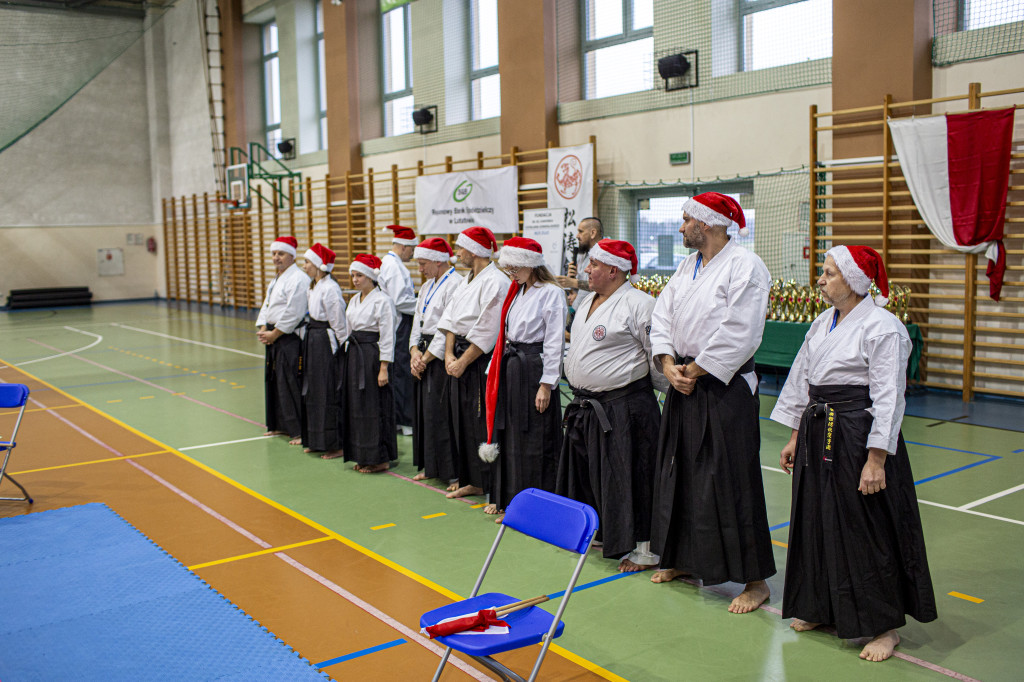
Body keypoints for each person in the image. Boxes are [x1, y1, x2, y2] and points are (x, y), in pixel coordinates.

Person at [771, 245, 937, 662]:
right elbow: (802, 380)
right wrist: (794, 436)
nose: (820, 280)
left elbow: (889, 397)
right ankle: (819, 606)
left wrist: (876, 459)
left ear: (855, 280)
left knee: (864, 527)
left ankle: (883, 626)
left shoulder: (883, 327)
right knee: (815, 518)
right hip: (817, 428)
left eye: (829, 273)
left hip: (856, 435)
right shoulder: (821, 322)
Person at [648, 192, 776, 614]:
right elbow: (662, 316)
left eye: (687, 219)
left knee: (732, 478)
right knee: (681, 473)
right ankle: (685, 559)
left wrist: (696, 369)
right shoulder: (687, 266)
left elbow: (742, 330)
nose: (681, 227)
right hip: (684, 380)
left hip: (724, 386)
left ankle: (755, 580)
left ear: (708, 223)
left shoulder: (746, 266)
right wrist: (668, 364)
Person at [557, 239, 665, 572]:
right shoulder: (586, 302)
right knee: (595, 476)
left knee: (635, 477)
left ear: (614, 270)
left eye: (594, 265)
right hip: (588, 406)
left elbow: (657, 356)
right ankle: (606, 532)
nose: (587, 270)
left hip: (625, 407)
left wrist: (660, 394)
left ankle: (646, 550)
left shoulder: (640, 304)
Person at [478, 237, 566, 520]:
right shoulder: (517, 291)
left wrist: (546, 384)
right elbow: (504, 335)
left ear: (531, 265)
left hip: (533, 370)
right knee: (510, 435)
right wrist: (494, 369)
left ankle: (534, 506)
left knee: (534, 439)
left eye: (515, 267)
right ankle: (507, 497)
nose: (511, 273)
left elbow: (554, 342)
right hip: (512, 366)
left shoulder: (551, 293)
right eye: (509, 268)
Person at [432, 226, 510, 499]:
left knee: (479, 421)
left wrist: (463, 362)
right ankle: (470, 478)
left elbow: (489, 328)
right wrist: (448, 354)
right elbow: (449, 319)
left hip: (479, 359)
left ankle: (486, 481)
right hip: (458, 354)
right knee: (460, 420)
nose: (457, 252)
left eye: (461, 247)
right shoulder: (466, 280)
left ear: (475, 251)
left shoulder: (496, 281)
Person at [409, 237, 464, 485]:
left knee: (442, 413)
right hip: (423, 350)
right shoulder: (426, 286)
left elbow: (447, 327)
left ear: (438, 261)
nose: (420, 268)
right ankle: (430, 466)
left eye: (423, 263)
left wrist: (427, 357)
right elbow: (416, 322)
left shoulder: (455, 284)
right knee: (425, 413)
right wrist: (414, 351)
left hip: (441, 352)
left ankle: (451, 471)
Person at [344, 253, 398, 473]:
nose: (355, 280)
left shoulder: (383, 300)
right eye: (353, 275)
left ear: (370, 277)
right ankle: (362, 454)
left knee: (374, 406)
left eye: (359, 275)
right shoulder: (354, 300)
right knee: (357, 405)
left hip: (372, 356)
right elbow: (349, 330)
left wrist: (384, 367)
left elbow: (387, 335)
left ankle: (380, 458)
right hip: (355, 354)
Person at [255, 235, 310, 444]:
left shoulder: (299, 278)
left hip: (289, 337)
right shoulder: (276, 279)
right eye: (274, 254)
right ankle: (279, 424)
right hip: (273, 335)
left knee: (290, 382)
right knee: (274, 380)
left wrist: (275, 333)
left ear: (292, 256)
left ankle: (297, 430)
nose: (276, 257)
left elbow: (293, 312)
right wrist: (263, 328)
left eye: (281, 253)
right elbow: (267, 305)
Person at [298, 243, 349, 460]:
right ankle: (316, 440)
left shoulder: (330, 288)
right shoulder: (313, 286)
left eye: (307, 262)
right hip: (313, 338)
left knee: (327, 391)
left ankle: (335, 444)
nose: (304, 266)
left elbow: (338, 322)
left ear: (319, 265)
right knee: (313, 390)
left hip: (326, 342)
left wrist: (343, 348)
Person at [379, 224, 418, 436]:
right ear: (403, 246)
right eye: (412, 249)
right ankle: (404, 421)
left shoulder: (392, 264)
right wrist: (422, 306)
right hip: (399, 325)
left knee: (399, 373)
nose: (413, 253)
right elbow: (400, 300)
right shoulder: (393, 266)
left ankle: (398, 418)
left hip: (398, 323)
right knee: (402, 373)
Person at [555, 216, 603, 293]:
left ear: (593, 233)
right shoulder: (582, 254)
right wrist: (572, 277)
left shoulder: (604, 255)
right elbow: (579, 289)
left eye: (581, 231)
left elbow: (602, 285)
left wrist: (573, 282)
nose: (577, 236)